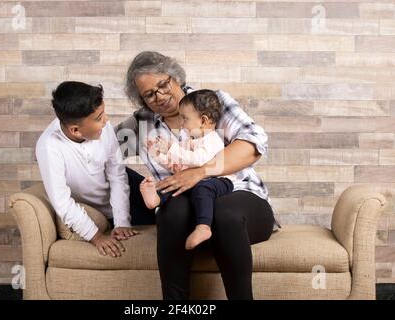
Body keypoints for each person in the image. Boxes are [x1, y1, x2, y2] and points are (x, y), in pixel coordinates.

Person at [116, 51, 281, 300]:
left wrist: (201, 173)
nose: (160, 96)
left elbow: (254, 143)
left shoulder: (210, 102)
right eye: (149, 94)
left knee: (225, 214)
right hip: (184, 215)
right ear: (141, 99)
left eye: (163, 84)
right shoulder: (141, 124)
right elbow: (98, 149)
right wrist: (61, 133)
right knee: (172, 211)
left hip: (238, 197)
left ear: (175, 77)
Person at [35, 81, 146, 259]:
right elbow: (62, 203)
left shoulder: (104, 126)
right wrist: (96, 237)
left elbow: (117, 174)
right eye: (99, 118)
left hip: (126, 187)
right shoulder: (49, 147)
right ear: (76, 130)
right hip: (102, 208)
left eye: (103, 113)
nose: (106, 120)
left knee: (174, 208)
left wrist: (122, 222)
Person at [140, 89, 236, 250]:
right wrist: (157, 154)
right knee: (174, 182)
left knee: (202, 189)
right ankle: (156, 199)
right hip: (195, 180)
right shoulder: (191, 140)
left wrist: (172, 148)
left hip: (218, 180)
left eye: (184, 119)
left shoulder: (212, 139)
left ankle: (203, 227)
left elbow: (200, 160)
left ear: (203, 121)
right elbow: (177, 165)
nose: (182, 124)